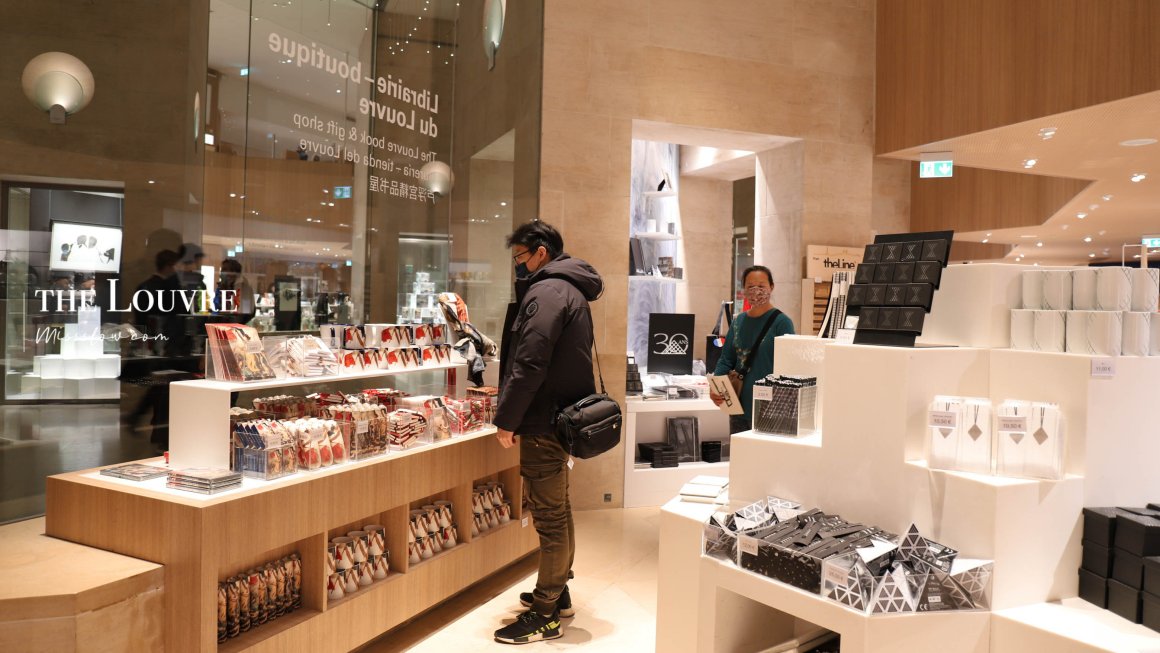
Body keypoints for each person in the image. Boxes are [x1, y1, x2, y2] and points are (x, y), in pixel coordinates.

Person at [492, 220, 603, 645]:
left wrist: (508, 418)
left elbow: (530, 363)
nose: (518, 265)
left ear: (541, 252)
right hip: (560, 417)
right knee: (559, 509)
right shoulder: (569, 288)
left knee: (550, 517)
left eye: (520, 257)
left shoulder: (549, 292)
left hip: (543, 419)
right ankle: (559, 593)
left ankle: (544, 614)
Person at [710, 265, 795, 433]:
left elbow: (789, 367)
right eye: (750, 286)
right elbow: (726, 360)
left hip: (770, 409)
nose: (756, 291)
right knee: (739, 450)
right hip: (738, 407)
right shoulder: (738, 321)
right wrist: (715, 387)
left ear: (771, 287)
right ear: (744, 289)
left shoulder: (782, 323)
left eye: (761, 286)